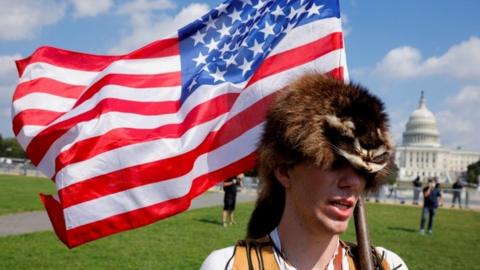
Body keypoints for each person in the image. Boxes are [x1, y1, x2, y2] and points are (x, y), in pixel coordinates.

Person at [201, 73, 407, 269]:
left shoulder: (388, 265)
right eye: (335, 163)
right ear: (284, 170)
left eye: (363, 170)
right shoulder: (228, 266)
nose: (353, 182)